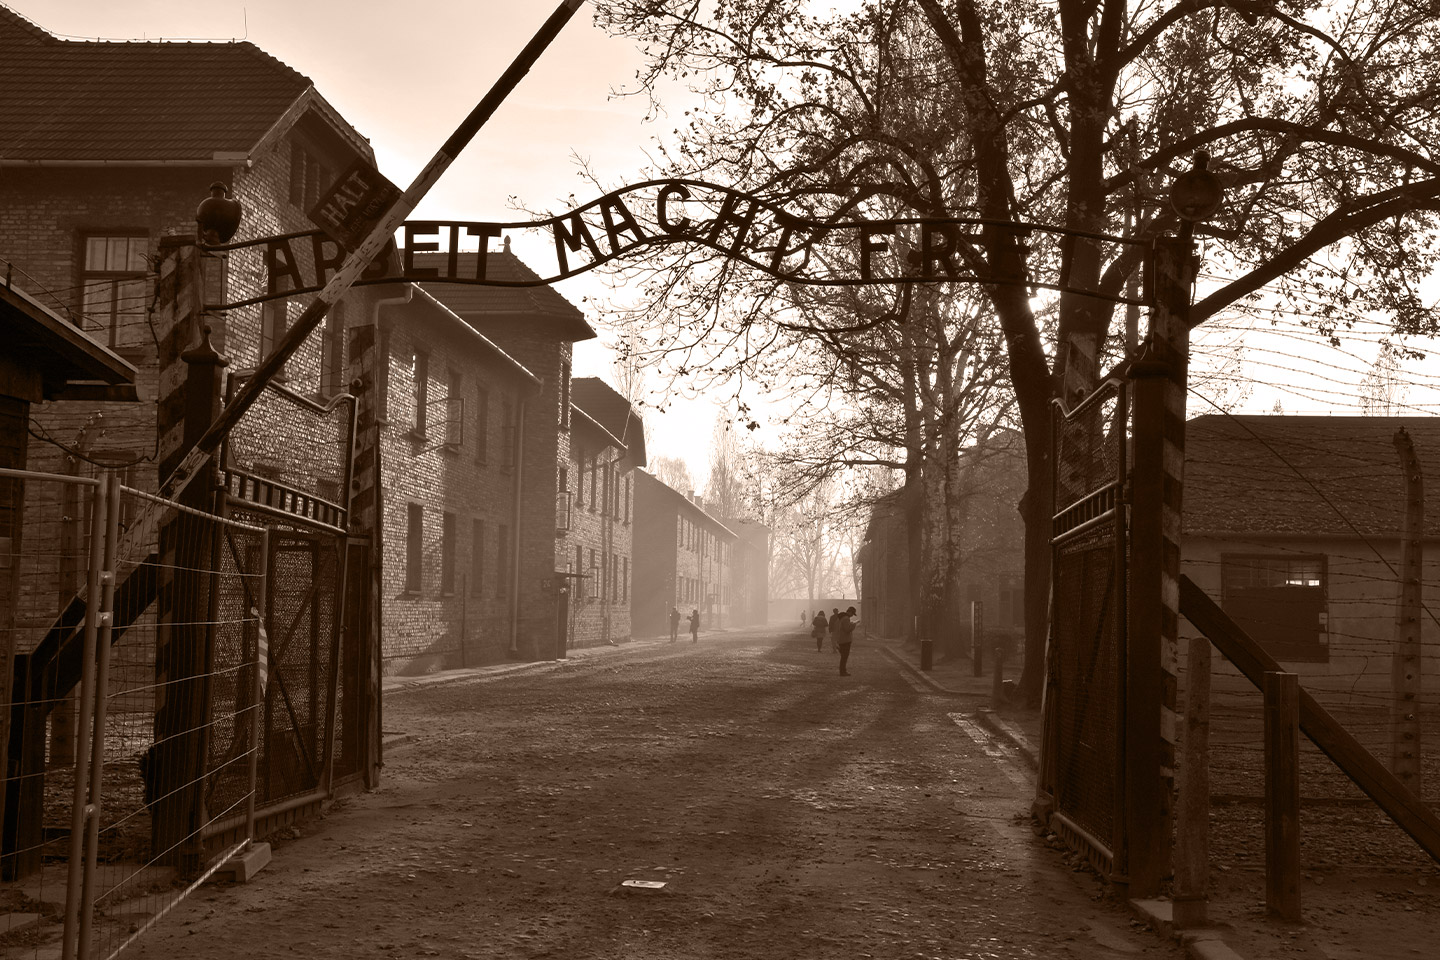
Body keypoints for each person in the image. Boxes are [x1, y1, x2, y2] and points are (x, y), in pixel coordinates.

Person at [836, 606, 859, 676]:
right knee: (844, 657)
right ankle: (843, 671)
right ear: (850, 612)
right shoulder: (846, 619)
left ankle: (842, 670)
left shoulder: (842, 618)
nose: (852, 615)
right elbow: (847, 629)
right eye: (852, 614)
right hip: (845, 640)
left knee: (843, 656)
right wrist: (854, 624)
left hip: (842, 639)